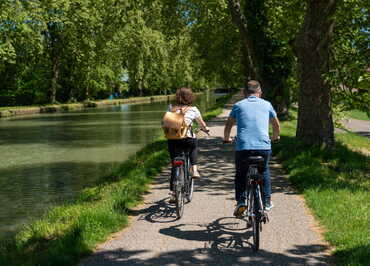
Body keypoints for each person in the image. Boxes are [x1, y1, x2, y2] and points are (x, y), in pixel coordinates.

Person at [223, 80, 280, 216]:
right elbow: (276, 125)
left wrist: (226, 138)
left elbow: (229, 125)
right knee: (264, 170)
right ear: (259, 92)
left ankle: (241, 202)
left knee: (241, 174)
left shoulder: (238, 105)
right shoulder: (267, 104)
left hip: (243, 147)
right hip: (263, 147)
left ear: (244, 93)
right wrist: (275, 137)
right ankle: (266, 201)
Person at [167, 87, 209, 202]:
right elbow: (202, 123)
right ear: (191, 97)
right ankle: (194, 169)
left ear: (177, 97)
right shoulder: (193, 109)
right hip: (187, 138)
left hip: (172, 139)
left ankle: (173, 193)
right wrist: (206, 129)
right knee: (194, 145)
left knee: (175, 164)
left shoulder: (171, 108)